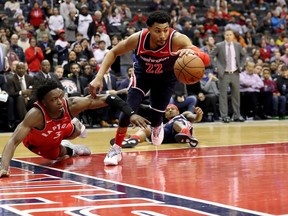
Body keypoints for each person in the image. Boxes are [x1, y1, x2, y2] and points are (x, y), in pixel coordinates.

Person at [88, 10, 210, 166]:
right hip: (143, 75)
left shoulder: (178, 39)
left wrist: (195, 53)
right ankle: (116, 148)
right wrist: (98, 77)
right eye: (157, 31)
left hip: (166, 78)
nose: (162, 35)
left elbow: (206, 60)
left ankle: (156, 126)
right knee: (128, 110)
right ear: (149, 29)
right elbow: (113, 52)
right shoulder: (139, 38)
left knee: (157, 115)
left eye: (166, 30)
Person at [0, 79, 150, 178]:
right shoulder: (35, 115)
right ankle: (72, 149)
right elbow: (13, 141)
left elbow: (108, 98)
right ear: (44, 103)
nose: (59, 102)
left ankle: (76, 126)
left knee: (75, 131)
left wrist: (130, 113)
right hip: (40, 143)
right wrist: (4, 168)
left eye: (60, 96)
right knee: (59, 156)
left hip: (61, 128)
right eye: (54, 100)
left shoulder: (70, 104)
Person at [110, 104, 203, 148]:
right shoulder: (165, 124)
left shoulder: (184, 115)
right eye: (167, 110)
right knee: (147, 128)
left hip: (181, 129)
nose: (170, 110)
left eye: (172, 109)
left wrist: (198, 114)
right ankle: (133, 139)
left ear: (178, 111)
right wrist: (130, 135)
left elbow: (195, 118)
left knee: (176, 122)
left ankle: (185, 133)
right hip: (168, 136)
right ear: (165, 115)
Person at [210, 28, 246, 123]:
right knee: (223, 96)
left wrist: (241, 66)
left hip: (235, 73)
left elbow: (244, 56)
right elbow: (211, 56)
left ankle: (237, 116)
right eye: (227, 35)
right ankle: (224, 116)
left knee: (236, 96)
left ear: (233, 36)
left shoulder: (238, 45)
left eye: (230, 34)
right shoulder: (219, 45)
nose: (228, 36)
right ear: (224, 36)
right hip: (224, 74)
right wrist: (215, 67)